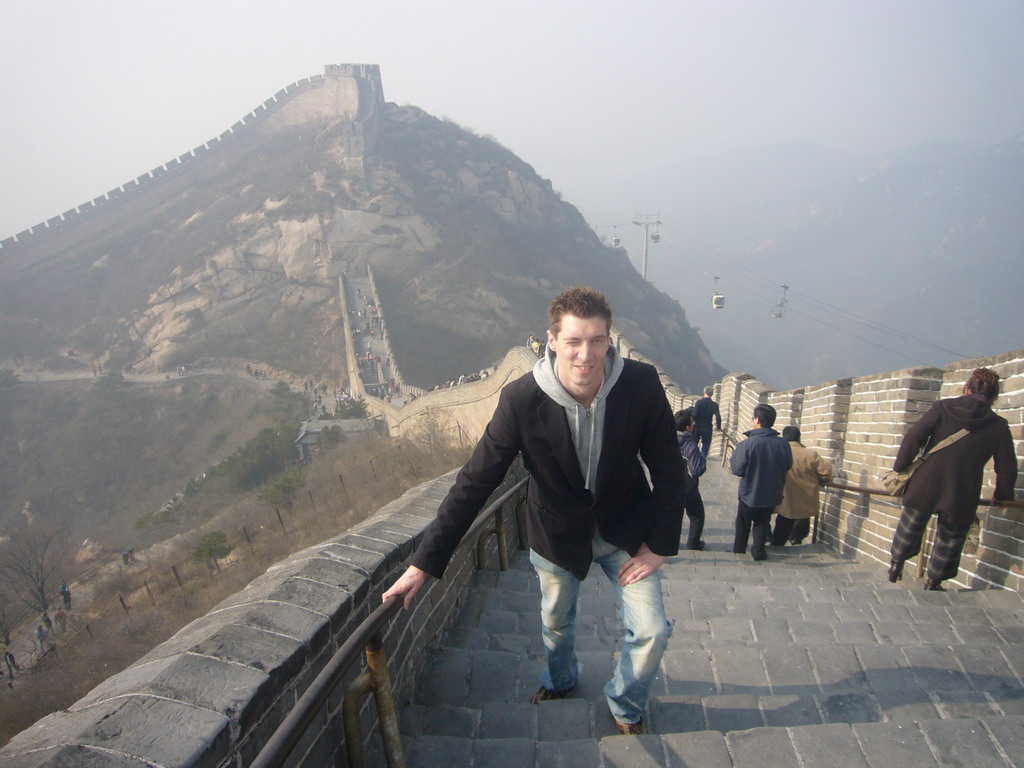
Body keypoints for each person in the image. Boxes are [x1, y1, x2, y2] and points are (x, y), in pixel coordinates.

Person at [382, 286, 686, 735]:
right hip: (556, 533)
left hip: (626, 533)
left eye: (598, 341)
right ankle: (560, 680)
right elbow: (475, 482)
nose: (587, 355)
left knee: (653, 631)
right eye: (575, 341)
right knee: (556, 625)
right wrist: (424, 564)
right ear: (552, 340)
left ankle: (625, 703)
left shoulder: (639, 385)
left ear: (610, 341)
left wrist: (658, 548)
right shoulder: (522, 400)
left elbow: (669, 468)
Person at [888, 367, 1017, 590]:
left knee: (911, 524)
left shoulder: (943, 407)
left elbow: (914, 437)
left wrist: (900, 467)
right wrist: (1003, 495)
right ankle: (934, 581)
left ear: (967, 388)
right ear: (994, 397)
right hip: (962, 490)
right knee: (951, 537)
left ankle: (896, 564)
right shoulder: (998, 425)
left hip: (926, 481)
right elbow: (1006, 466)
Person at [729, 404, 793, 561]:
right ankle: (758, 552)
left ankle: (739, 551)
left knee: (743, 523)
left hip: (748, 493)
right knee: (762, 523)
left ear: (757, 420)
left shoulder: (748, 444)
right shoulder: (783, 444)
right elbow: (788, 465)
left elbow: (737, 469)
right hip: (771, 493)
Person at [770, 426, 832, 546]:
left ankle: (777, 545)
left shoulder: (778, 452)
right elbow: (826, 472)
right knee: (802, 524)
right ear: (799, 437)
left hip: (785, 498)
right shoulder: (810, 454)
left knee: (782, 526)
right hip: (805, 499)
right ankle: (796, 539)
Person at [675, 409, 707, 550]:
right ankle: (693, 543)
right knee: (697, 515)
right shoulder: (690, 446)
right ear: (688, 427)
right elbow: (696, 470)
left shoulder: (665, 441)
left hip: (669, 486)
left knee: (673, 516)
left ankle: (671, 542)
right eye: (692, 424)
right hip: (688, 487)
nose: (693, 426)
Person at [692, 386, 721, 457]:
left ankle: (694, 457)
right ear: (712, 394)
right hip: (708, 427)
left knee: (694, 443)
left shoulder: (699, 403)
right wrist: (718, 427)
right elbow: (718, 417)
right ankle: (702, 458)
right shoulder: (714, 405)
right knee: (706, 444)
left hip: (697, 427)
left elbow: (694, 414)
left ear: (704, 392)